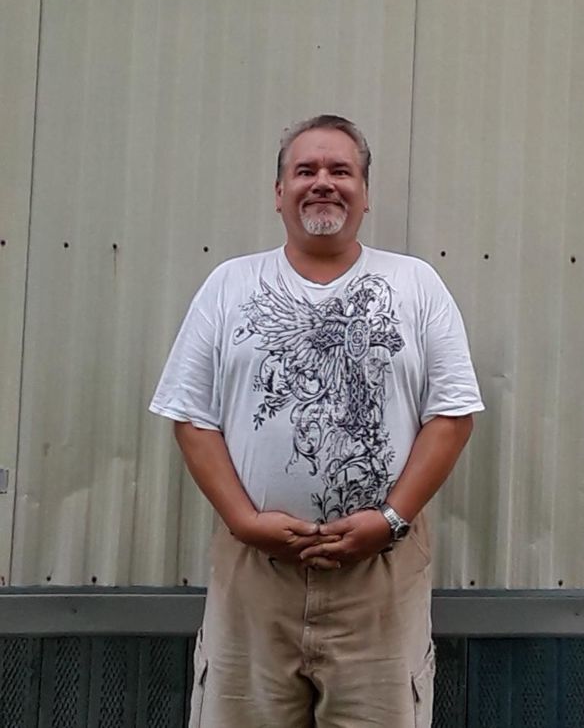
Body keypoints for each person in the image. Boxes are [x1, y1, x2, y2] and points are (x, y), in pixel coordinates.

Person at [149, 114, 484, 727]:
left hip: (381, 574)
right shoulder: (229, 285)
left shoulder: (417, 285)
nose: (323, 182)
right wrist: (244, 522)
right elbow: (191, 416)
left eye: (341, 171)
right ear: (280, 192)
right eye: (305, 171)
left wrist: (390, 520)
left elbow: (452, 415)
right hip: (255, 573)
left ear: (365, 193)